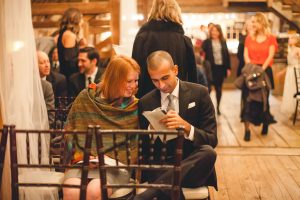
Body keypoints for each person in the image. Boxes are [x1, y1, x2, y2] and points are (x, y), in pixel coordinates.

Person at [135, 50, 217, 200]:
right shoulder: (145, 102)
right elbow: (143, 150)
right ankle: (160, 187)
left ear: (175, 70)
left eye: (165, 78)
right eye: (155, 80)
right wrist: (151, 131)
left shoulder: (199, 93)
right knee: (169, 183)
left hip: (192, 165)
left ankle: (151, 192)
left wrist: (187, 127)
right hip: (162, 165)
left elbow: (212, 139)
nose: (161, 85)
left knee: (209, 152)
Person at [63, 55, 140, 200]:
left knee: (95, 190)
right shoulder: (87, 97)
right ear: (114, 79)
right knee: (70, 190)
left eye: (136, 81)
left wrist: (109, 158)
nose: (134, 86)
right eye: (129, 81)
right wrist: (82, 155)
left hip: (116, 166)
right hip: (84, 162)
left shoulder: (133, 106)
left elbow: (135, 144)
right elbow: (71, 131)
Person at [132, 0, 197, 98]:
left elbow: (136, 71)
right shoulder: (184, 40)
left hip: (148, 100)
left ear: (153, 10)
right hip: (179, 99)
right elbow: (193, 77)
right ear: (176, 11)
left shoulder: (142, 38)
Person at [242, 12, 278, 141]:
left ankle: (265, 122)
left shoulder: (271, 38)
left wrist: (261, 70)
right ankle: (247, 130)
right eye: (252, 22)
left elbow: (270, 55)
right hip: (251, 71)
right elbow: (246, 56)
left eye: (255, 21)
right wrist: (252, 69)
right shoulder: (249, 38)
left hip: (265, 72)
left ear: (261, 22)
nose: (253, 24)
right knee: (247, 100)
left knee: (264, 99)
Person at [202, 24, 231, 115]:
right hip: (210, 69)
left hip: (221, 68)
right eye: (213, 31)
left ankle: (218, 107)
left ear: (219, 32)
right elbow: (202, 54)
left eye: (216, 31)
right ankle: (208, 108)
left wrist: (228, 68)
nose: (214, 32)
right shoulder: (206, 42)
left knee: (219, 89)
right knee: (209, 89)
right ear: (210, 32)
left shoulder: (223, 41)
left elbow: (226, 55)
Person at [57, 8, 83, 79]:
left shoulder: (65, 33)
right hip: (70, 76)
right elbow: (70, 61)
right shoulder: (69, 35)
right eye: (81, 19)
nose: (82, 22)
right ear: (75, 20)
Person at [281, 34, 300, 117]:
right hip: (290, 71)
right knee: (290, 89)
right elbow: (289, 64)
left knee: (296, 88)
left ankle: (298, 110)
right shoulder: (290, 50)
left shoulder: (298, 50)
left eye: (292, 38)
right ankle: (293, 111)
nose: (290, 39)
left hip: (296, 71)